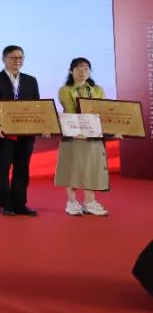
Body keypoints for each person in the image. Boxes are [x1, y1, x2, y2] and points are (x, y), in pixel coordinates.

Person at [56, 57, 118, 217]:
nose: (83, 71)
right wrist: (79, 128)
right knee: (72, 168)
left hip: (94, 135)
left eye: (86, 68)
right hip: (74, 134)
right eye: (78, 68)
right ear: (71, 71)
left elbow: (104, 111)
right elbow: (70, 111)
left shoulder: (97, 89)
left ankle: (89, 202)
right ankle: (71, 202)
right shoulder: (65, 89)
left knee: (92, 168)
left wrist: (114, 129)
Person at [0, 45, 41, 217]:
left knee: (22, 169)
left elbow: (36, 106)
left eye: (20, 58)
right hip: (3, 132)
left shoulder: (31, 80)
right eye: (13, 58)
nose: (17, 61)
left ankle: (20, 204)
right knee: (3, 169)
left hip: (26, 132)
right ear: (4, 59)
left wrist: (41, 125)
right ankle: (5, 204)